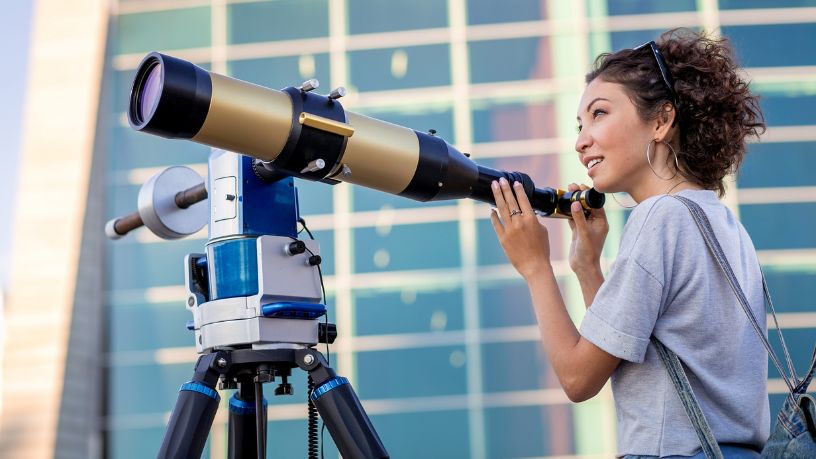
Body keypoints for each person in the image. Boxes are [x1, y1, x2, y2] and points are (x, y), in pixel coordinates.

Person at [490, 29, 768, 458]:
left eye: (599, 114)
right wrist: (587, 266)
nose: (581, 140)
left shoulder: (658, 218)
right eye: (580, 125)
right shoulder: (722, 223)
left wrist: (535, 267)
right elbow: (630, 348)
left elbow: (579, 379)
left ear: (660, 121)